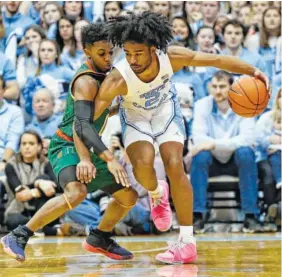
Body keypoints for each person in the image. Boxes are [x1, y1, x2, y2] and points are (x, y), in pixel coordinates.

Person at [93, 12, 269, 264]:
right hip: (134, 115)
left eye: (139, 53)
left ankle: (187, 241)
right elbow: (90, 117)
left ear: (153, 48)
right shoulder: (118, 77)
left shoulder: (171, 57)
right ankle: (157, 193)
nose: (133, 60)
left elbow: (217, 60)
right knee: (142, 167)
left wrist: (254, 71)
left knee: (174, 164)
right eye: (128, 53)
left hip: (166, 109)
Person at [1, 22, 138, 263]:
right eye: (101, 53)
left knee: (129, 196)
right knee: (76, 192)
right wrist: (106, 159)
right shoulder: (85, 81)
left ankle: (100, 236)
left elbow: (97, 112)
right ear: (87, 51)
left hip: (88, 144)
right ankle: (20, 234)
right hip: (66, 145)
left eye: (110, 52)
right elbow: (82, 125)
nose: (108, 58)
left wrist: (122, 107)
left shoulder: (106, 74)